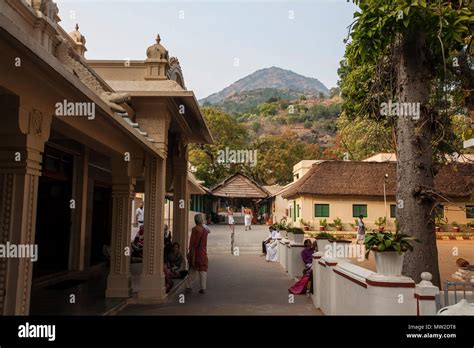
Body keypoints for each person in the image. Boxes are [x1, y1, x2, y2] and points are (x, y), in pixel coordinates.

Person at [186, 214, 208, 294]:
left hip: (195, 251)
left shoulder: (195, 229)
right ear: (201, 220)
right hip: (202, 251)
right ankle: (203, 288)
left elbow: (192, 242)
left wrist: (190, 252)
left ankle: (189, 286)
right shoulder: (205, 230)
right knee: (202, 270)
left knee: (192, 268)